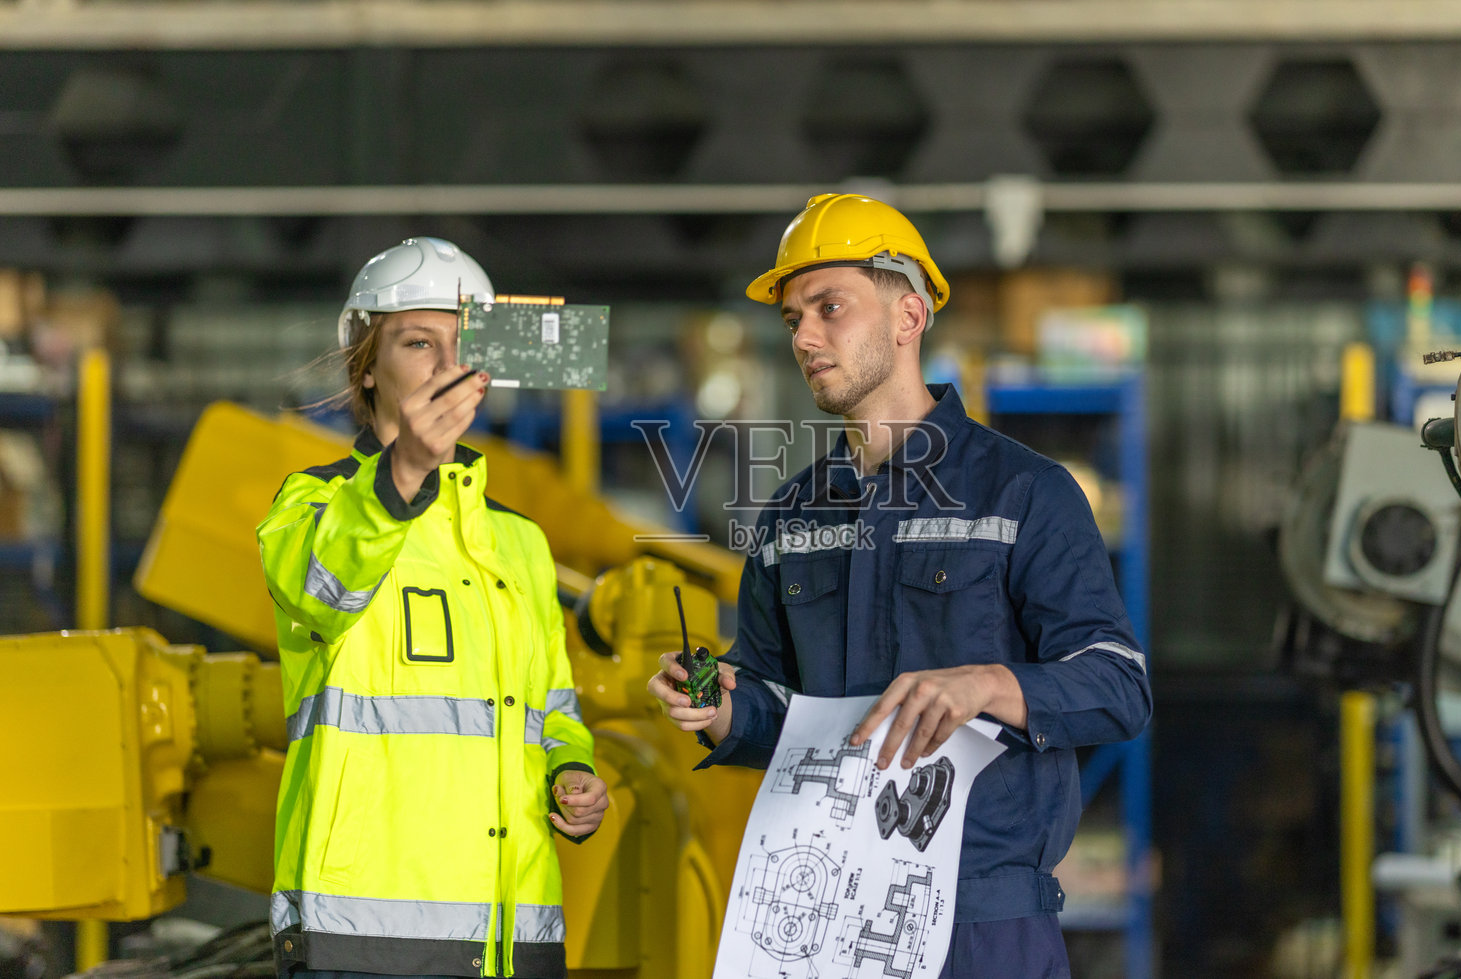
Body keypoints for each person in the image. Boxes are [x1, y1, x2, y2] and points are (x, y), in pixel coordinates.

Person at [647, 195, 1151, 978]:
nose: (805, 337)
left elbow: (1118, 685)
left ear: (908, 316)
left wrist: (985, 684)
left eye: (829, 307)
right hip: (828, 917)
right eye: (792, 320)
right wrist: (718, 706)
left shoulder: (1024, 493)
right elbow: (778, 705)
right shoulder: (791, 517)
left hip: (982, 920)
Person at [258, 237, 608, 979]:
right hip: (363, 940)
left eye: (461, 344)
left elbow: (552, 709)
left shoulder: (520, 543)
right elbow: (323, 583)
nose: (445, 366)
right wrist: (407, 467)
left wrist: (571, 771)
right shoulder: (310, 507)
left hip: (513, 939)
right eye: (418, 342)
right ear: (367, 365)